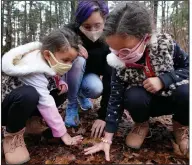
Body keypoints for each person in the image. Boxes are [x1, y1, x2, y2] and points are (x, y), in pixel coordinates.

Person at [84, 2, 189, 161]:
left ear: (145, 38)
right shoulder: (118, 63)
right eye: (114, 50)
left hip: (172, 98)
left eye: (125, 50)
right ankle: (141, 124)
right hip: (143, 104)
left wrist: (164, 80)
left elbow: (188, 67)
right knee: (133, 95)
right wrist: (107, 139)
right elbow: (115, 99)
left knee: (187, 92)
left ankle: (180, 125)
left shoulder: (165, 46)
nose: (119, 56)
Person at [2, 28, 84, 164]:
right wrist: (63, 134)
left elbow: (49, 76)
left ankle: (30, 123)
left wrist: (60, 82)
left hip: (22, 105)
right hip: (6, 109)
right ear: (47, 54)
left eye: (72, 61)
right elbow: (46, 102)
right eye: (66, 60)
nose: (69, 65)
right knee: (29, 95)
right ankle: (11, 134)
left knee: (59, 91)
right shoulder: (32, 67)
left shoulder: (47, 58)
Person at [64, 0, 112, 138]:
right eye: (86, 26)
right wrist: (72, 45)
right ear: (79, 23)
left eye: (97, 25)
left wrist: (104, 115)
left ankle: (81, 94)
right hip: (71, 73)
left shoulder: (111, 38)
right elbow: (57, 39)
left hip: (90, 75)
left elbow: (110, 77)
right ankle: (72, 104)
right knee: (78, 60)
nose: (92, 31)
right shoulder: (71, 31)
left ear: (105, 19)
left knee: (96, 88)